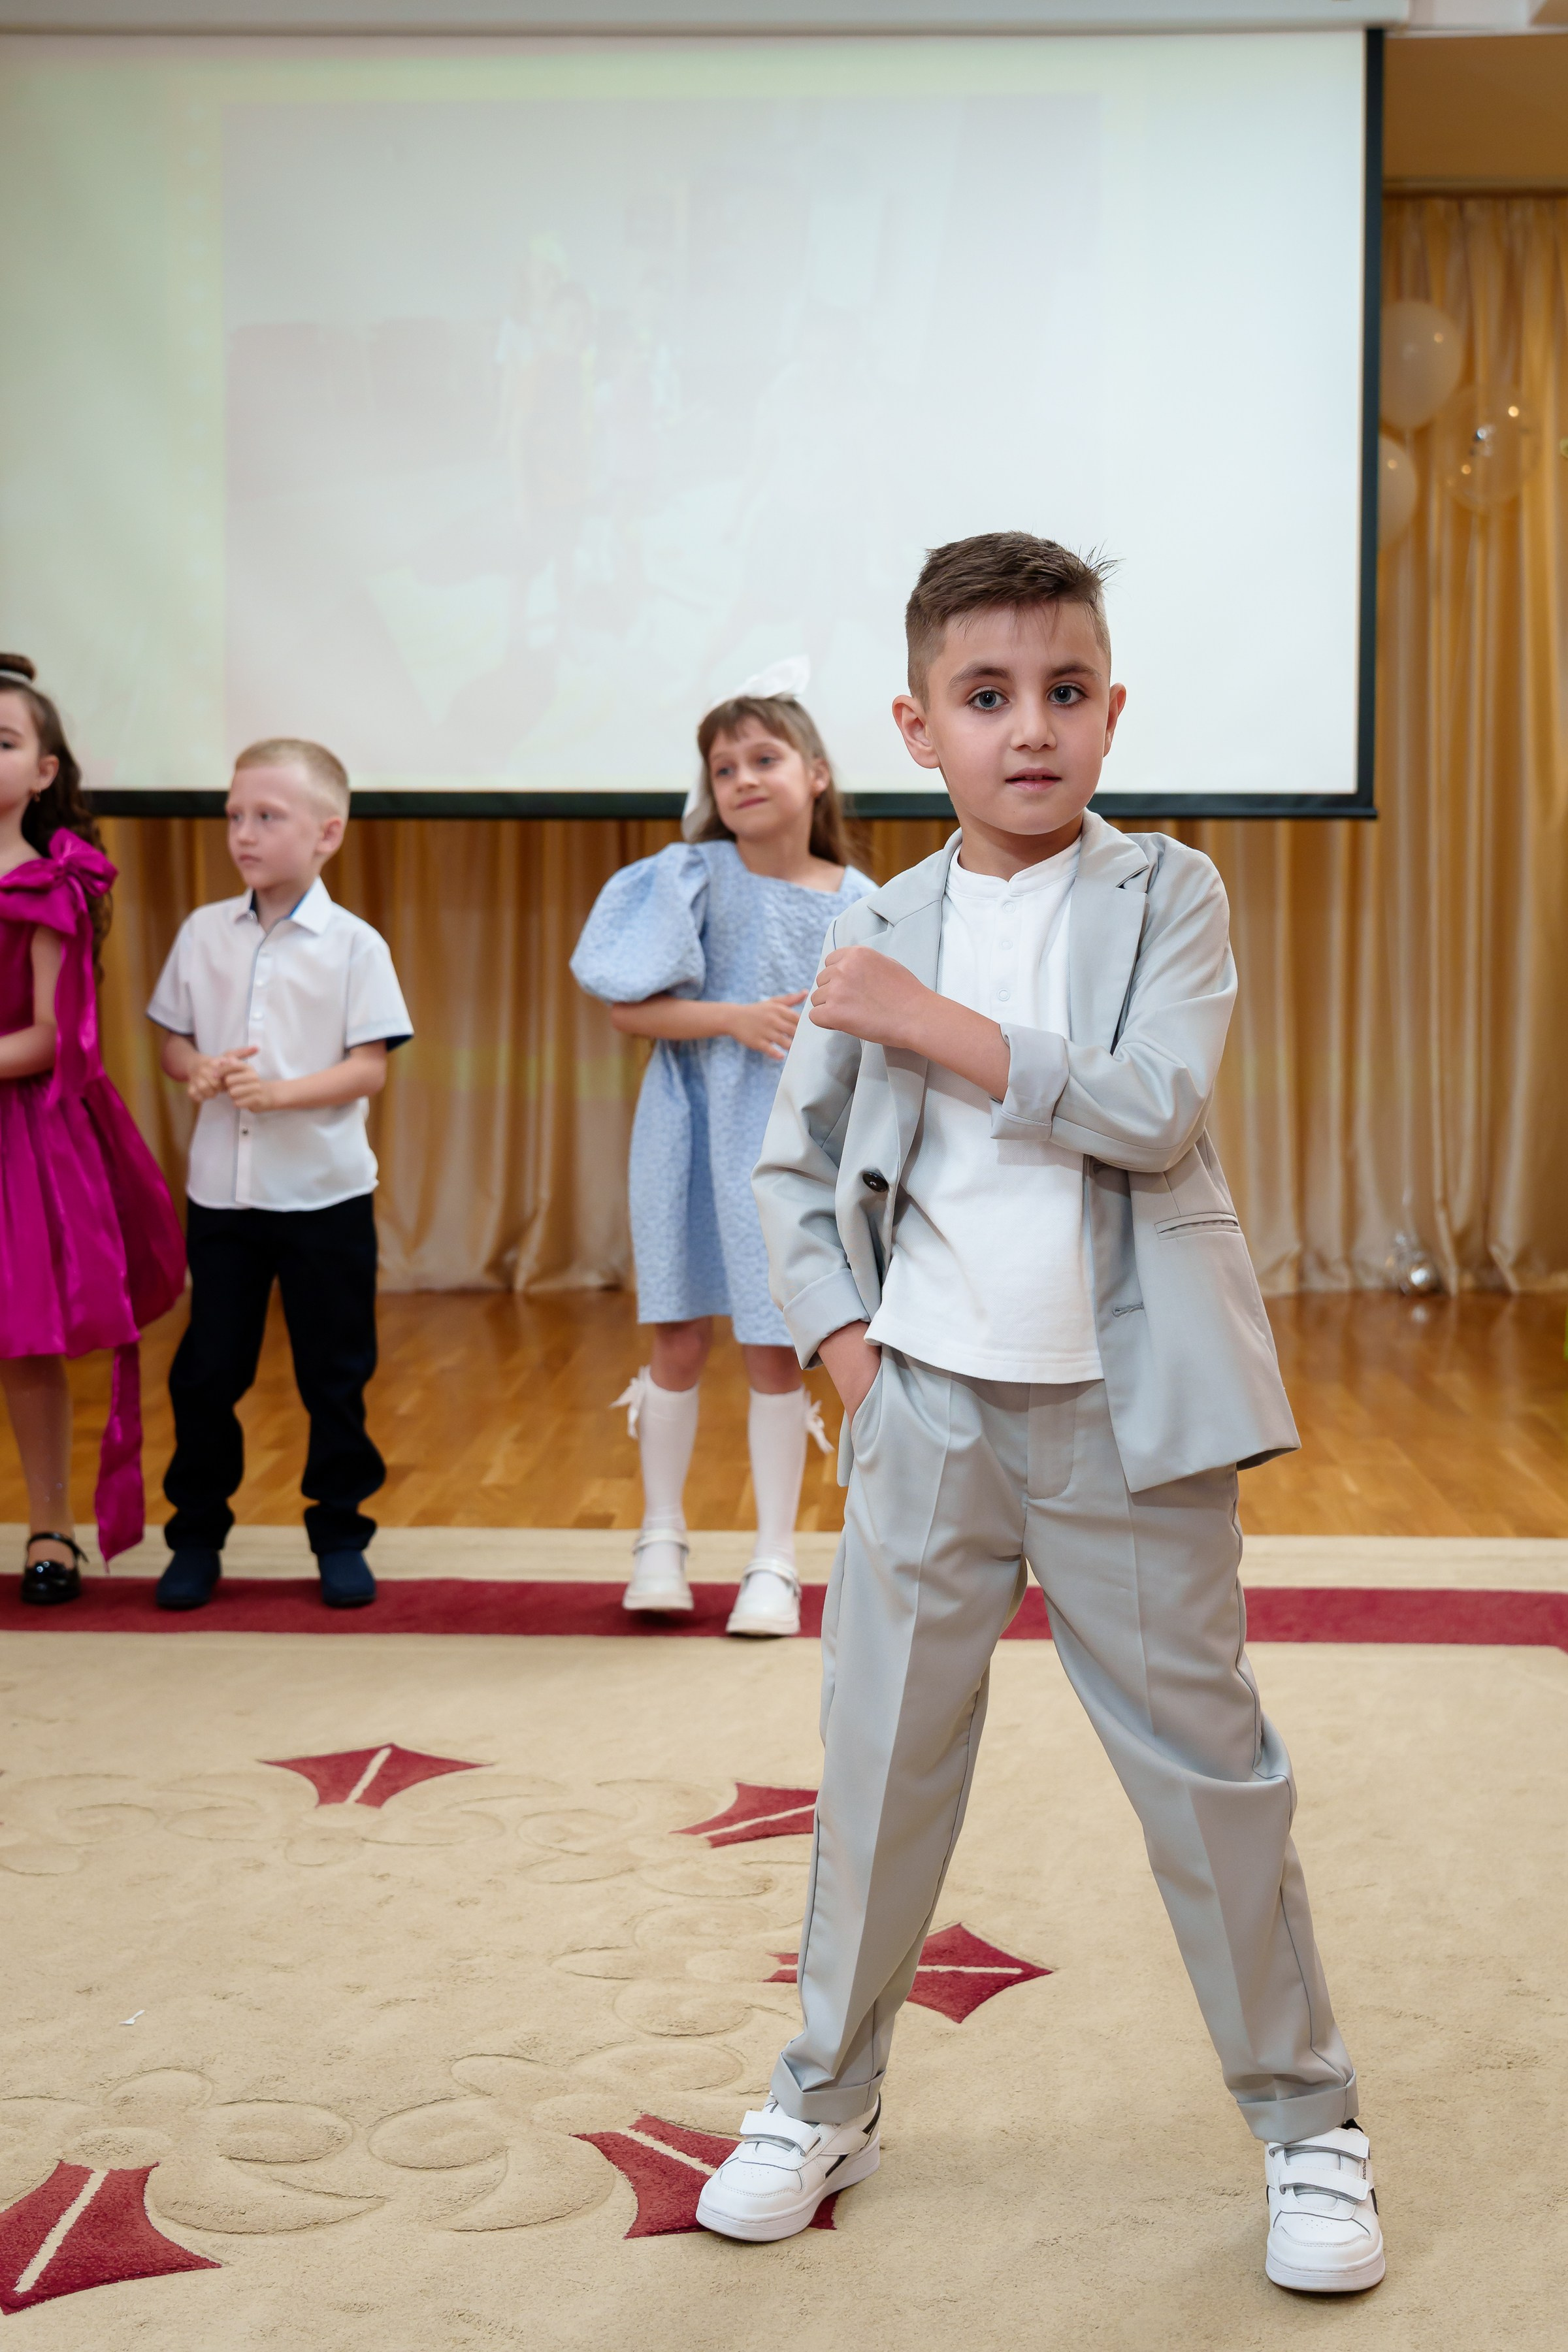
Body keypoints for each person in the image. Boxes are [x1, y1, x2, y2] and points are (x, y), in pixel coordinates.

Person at [695, 537, 1384, 2296]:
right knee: (876, 1771)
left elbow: (1153, 1111)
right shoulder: (876, 918)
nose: (1031, 729)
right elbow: (792, 1176)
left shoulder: (1168, 894)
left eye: (1065, 693)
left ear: (1112, 711)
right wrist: (854, 1359)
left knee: (1212, 1782)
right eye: (988, 697)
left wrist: (927, 1023)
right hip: (927, 1416)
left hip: (1125, 1425)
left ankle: (1309, 2124)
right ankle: (823, 2094)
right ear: (917, 725)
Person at [570, 668, 875, 1637]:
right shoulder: (688, 878)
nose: (743, 778)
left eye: (765, 758)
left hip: (794, 1147)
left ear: (816, 774)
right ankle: (659, 1540)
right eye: (724, 766)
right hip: (691, 1128)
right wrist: (734, 1019)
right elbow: (628, 1005)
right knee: (678, 1333)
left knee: (777, 1345)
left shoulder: (862, 901)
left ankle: (774, 1562)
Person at [146, 739, 411, 1611]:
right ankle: (195, 1535)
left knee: (334, 1372)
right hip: (223, 1196)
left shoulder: (354, 946)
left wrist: (284, 1092)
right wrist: (192, 1067)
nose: (245, 835)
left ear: (327, 833)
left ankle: (339, 1530)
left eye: (268, 817)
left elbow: (369, 1067)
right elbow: (175, 1036)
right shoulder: (202, 935)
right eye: (235, 817)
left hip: (323, 1197)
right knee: (206, 1372)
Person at [0, 655, 184, 1603]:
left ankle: (49, 1527)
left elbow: (46, 1036)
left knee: (24, 1343)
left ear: (43, 771)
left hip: (19, 1136)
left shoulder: (50, 886)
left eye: (3, 741)